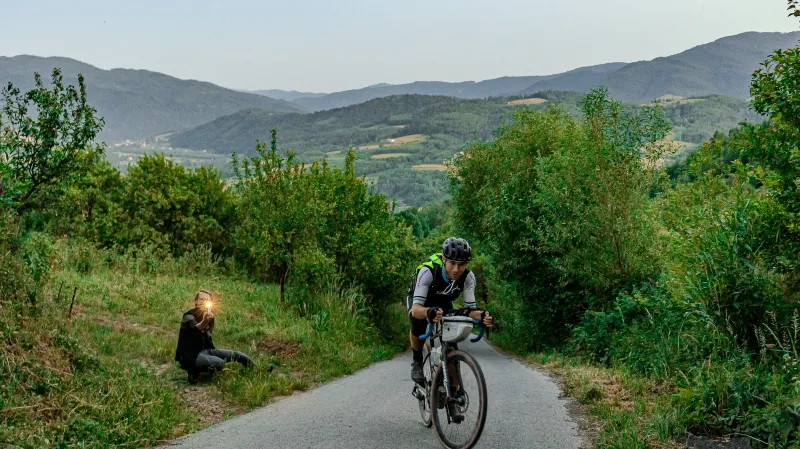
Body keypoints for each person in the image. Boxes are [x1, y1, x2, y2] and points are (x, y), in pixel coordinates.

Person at [406, 237, 494, 422]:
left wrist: (483, 316)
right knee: (418, 322)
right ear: (444, 259)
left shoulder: (468, 277)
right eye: (452, 263)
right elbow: (416, 309)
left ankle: (452, 396)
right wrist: (428, 312)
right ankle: (416, 360)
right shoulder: (428, 272)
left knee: (451, 344)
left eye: (461, 264)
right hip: (420, 301)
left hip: (443, 301)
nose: (456, 269)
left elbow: (469, 310)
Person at [174, 289, 253, 384]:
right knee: (219, 363)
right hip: (189, 355)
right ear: (196, 301)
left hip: (206, 351)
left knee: (236, 355)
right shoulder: (188, 316)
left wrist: (207, 320)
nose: (204, 302)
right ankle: (193, 370)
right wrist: (204, 321)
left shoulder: (210, 317)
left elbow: (207, 336)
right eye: (201, 299)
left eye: (206, 301)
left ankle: (258, 370)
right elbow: (196, 328)